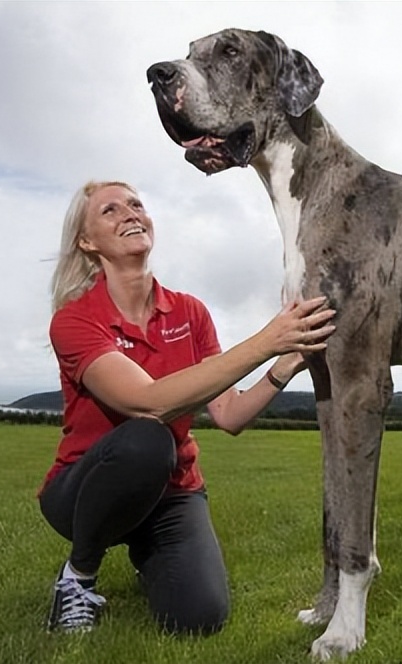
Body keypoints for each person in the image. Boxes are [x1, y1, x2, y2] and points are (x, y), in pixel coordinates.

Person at [39, 180, 335, 635]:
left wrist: (285, 362)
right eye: (110, 211)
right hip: (83, 492)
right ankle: (78, 575)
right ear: (86, 241)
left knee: (198, 618)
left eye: (136, 204)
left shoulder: (189, 313)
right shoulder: (75, 320)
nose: (131, 214)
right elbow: (146, 403)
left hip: (172, 492)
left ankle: (148, 553)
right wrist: (268, 339)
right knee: (147, 438)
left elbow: (229, 415)